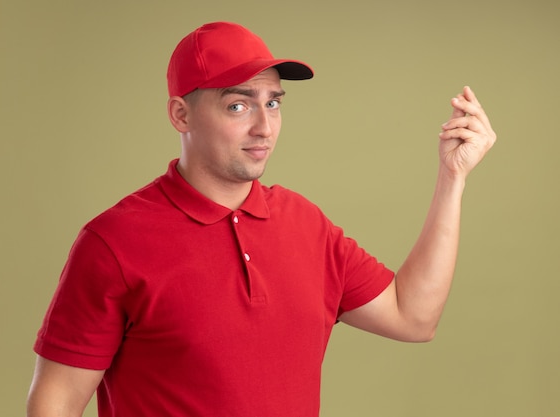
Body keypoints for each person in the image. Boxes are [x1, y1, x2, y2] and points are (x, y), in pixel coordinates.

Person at [26, 21, 496, 417]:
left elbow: (412, 317)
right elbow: (56, 401)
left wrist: (452, 178)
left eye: (272, 102)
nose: (263, 127)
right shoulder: (114, 241)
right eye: (238, 105)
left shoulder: (305, 223)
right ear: (180, 114)